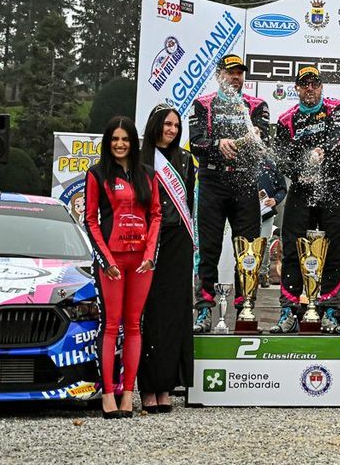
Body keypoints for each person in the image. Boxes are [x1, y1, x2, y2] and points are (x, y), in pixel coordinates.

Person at [83, 116, 161, 418]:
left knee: (133, 326)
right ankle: (108, 394)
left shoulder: (148, 175)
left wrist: (150, 254)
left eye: (125, 139)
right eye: (114, 139)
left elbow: (156, 215)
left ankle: (128, 393)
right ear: (108, 142)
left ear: (133, 142)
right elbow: (90, 220)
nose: (120, 144)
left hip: (141, 262)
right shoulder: (97, 174)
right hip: (112, 262)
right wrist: (106, 260)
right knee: (110, 325)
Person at [189, 54, 270, 333]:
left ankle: (245, 310)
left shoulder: (257, 105)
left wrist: (252, 138)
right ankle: (203, 310)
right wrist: (218, 143)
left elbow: (264, 141)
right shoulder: (202, 104)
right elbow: (195, 142)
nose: (236, 77)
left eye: (240, 73)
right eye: (230, 72)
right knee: (208, 248)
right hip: (212, 181)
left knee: (248, 249)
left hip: (245, 181)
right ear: (219, 75)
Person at [272, 65, 340, 333]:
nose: (310, 88)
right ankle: (289, 310)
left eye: (314, 83)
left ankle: (330, 310)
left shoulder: (337, 108)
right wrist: (300, 172)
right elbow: (281, 158)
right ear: (296, 88)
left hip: (334, 188)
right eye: (304, 84)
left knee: (335, 250)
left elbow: (339, 137)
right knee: (292, 249)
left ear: (321, 87)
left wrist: (320, 153)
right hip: (303, 190)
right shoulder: (286, 119)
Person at [138, 104, 195, 413]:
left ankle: (167, 385)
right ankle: (149, 386)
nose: (172, 130)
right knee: (151, 312)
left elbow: (190, 202)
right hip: (148, 240)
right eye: (167, 124)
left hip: (179, 241)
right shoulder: (140, 159)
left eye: (176, 125)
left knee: (175, 312)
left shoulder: (185, 160)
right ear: (155, 124)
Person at [256, 156, 287, 288]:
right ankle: (246, 273)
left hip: (266, 212)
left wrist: (275, 200)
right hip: (246, 211)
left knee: (265, 242)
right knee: (247, 242)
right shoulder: (244, 159)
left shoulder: (272, 164)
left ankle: (263, 274)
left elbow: (282, 188)